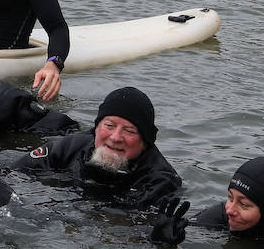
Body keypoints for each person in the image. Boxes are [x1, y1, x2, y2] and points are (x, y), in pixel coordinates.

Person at [10, 87, 181, 208]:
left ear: (145, 141)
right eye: (109, 125)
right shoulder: (70, 147)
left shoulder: (160, 180)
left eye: (129, 131)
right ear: (96, 128)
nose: (115, 138)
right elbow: (14, 173)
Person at [151, 156, 264, 248]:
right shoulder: (225, 213)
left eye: (244, 204)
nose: (230, 209)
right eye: (230, 197)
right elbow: (187, 230)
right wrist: (159, 239)